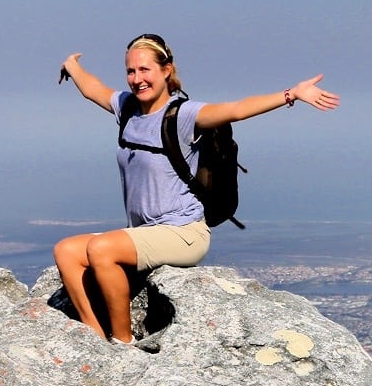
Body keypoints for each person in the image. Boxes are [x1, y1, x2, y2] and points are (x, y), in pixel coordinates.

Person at [54, 32, 339, 343]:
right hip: (143, 232)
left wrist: (292, 94)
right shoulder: (128, 108)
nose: (137, 79)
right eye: (131, 71)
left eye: (145, 70)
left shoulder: (183, 114)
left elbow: (236, 109)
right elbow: (94, 89)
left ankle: (122, 342)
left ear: (166, 70)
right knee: (66, 251)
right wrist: (72, 66)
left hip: (183, 232)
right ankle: (94, 336)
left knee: (100, 249)